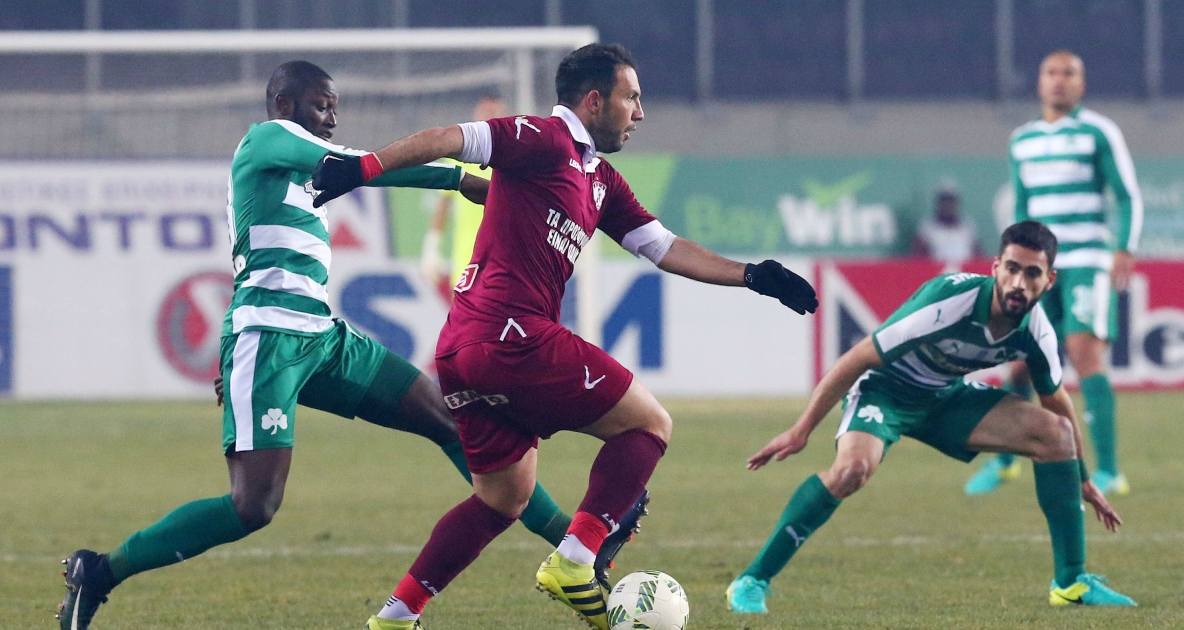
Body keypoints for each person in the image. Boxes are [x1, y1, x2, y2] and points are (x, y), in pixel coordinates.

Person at [54, 60, 643, 630]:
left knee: (446, 418)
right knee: (253, 506)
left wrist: (455, 180)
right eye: (321, 106)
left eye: (335, 108)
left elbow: (362, 170)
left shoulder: (308, 175)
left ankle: (574, 544)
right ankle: (100, 571)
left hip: (322, 337)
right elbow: (358, 165)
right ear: (284, 104)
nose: (332, 118)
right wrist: (458, 175)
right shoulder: (266, 140)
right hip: (267, 337)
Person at [310, 43, 819, 630]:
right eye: (632, 98)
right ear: (594, 101)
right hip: (513, 335)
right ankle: (576, 559)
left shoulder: (600, 178)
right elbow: (450, 138)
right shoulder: (543, 139)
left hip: (461, 350)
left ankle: (396, 616)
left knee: (503, 498)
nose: (640, 113)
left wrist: (753, 275)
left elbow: (663, 247)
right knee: (649, 424)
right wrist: (362, 169)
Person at [726, 221, 1135, 615]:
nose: (1018, 283)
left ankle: (1071, 583)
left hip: (944, 396)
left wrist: (1081, 477)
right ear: (995, 267)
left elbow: (1057, 401)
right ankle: (751, 580)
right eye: (1011, 268)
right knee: (852, 470)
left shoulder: (1036, 329)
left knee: (1056, 433)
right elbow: (858, 358)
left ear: (1049, 281)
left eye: (1032, 273)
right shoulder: (949, 301)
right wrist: (802, 430)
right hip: (885, 390)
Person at [966, 50, 1142, 497]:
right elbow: (1022, 207)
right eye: (1051, 72)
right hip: (1038, 268)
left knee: (1084, 353)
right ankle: (1006, 461)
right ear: (1040, 81)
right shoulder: (1022, 140)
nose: (1059, 80)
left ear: (1081, 83)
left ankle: (1110, 470)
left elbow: (1127, 195)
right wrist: (1012, 265)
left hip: (1087, 261)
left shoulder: (1098, 131)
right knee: (1021, 360)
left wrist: (1124, 246)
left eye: (1069, 73)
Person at [420, 95, 506, 304]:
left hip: (506, 262)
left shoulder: (513, 156)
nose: (489, 117)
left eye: (494, 112)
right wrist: (431, 247)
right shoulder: (460, 154)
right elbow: (443, 204)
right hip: (467, 261)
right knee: (465, 320)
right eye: (485, 111)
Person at [912, 184, 983, 272]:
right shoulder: (927, 228)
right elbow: (918, 259)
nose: (947, 205)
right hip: (936, 274)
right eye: (944, 201)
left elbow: (979, 258)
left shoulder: (968, 228)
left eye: (950, 201)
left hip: (966, 275)